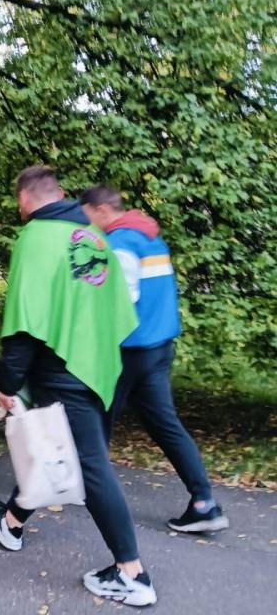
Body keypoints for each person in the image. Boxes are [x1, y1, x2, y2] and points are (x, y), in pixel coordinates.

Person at [0, 165, 156, 607]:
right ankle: (13, 520)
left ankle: (132, 574)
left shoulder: (35, 239)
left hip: (61, 371)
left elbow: (24, 324)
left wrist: (8, 382)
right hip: (96, 363)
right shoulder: (93, 238)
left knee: (90, 466)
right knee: (58, 449)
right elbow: (117, 310)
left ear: (25, 198)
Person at [82, 184, 228, 533]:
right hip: (160, 346)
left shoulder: (119, 244)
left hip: (129, 350)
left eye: (86, 214)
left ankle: (90, 492)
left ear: (100, 209)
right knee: (165, 425)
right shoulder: (151, 238)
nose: (86, 222)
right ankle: (204, 502)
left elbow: (121, 302)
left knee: (94, 419)